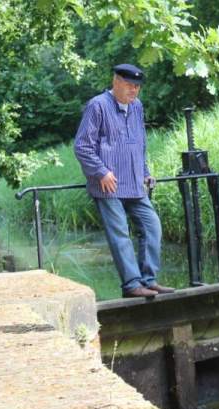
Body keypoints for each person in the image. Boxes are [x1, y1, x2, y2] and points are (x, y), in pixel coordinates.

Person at [74, 63, 174, 298]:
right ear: (116, 81)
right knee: (120, 234)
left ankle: (149, 280)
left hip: (135, 182)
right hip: (107, 184)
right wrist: (101, 172)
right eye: (129, 85)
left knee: (152, 226)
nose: (134, 90)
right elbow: (82, 146)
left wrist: (146, 171)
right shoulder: (97, 106)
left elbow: (140, 144)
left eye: (137, 86)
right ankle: (132, 285)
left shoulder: (137, 107)